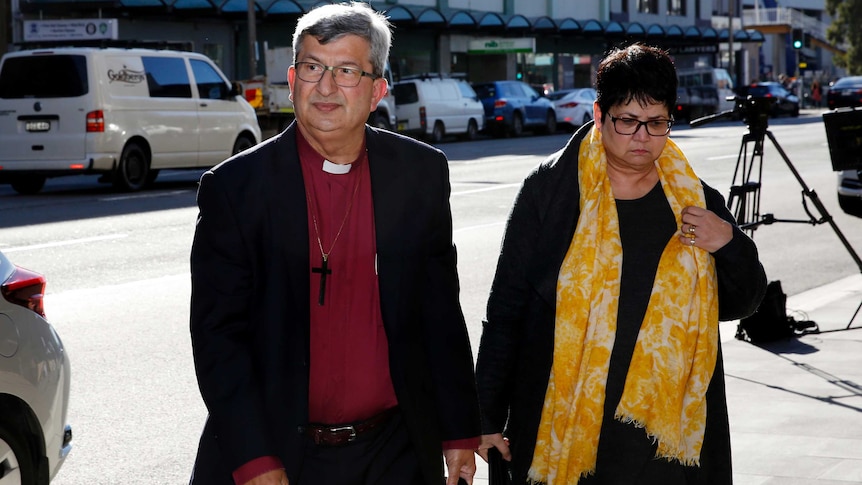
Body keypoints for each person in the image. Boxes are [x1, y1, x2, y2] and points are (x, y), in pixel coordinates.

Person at [188, 3, 481, 485]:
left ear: (377, 90)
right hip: (277, 450)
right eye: (311, 67)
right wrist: (256, 459)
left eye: (346, 71)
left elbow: (439, 312)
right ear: (292, 78)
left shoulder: (420, 174)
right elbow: (218, 338)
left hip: (395, 448)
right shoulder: (236, 188)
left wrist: (459, 431)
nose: (325, 87)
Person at [474, 44, 767, 485]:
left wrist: (728, 243)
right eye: (627, 121)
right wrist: (485, 417)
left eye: (657, 123)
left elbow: (744, 301)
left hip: (662, 439)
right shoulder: (551, 192)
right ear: (598, 114)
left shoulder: (694, 199)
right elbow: (505, 311)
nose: (642, 138)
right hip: (564, 424)